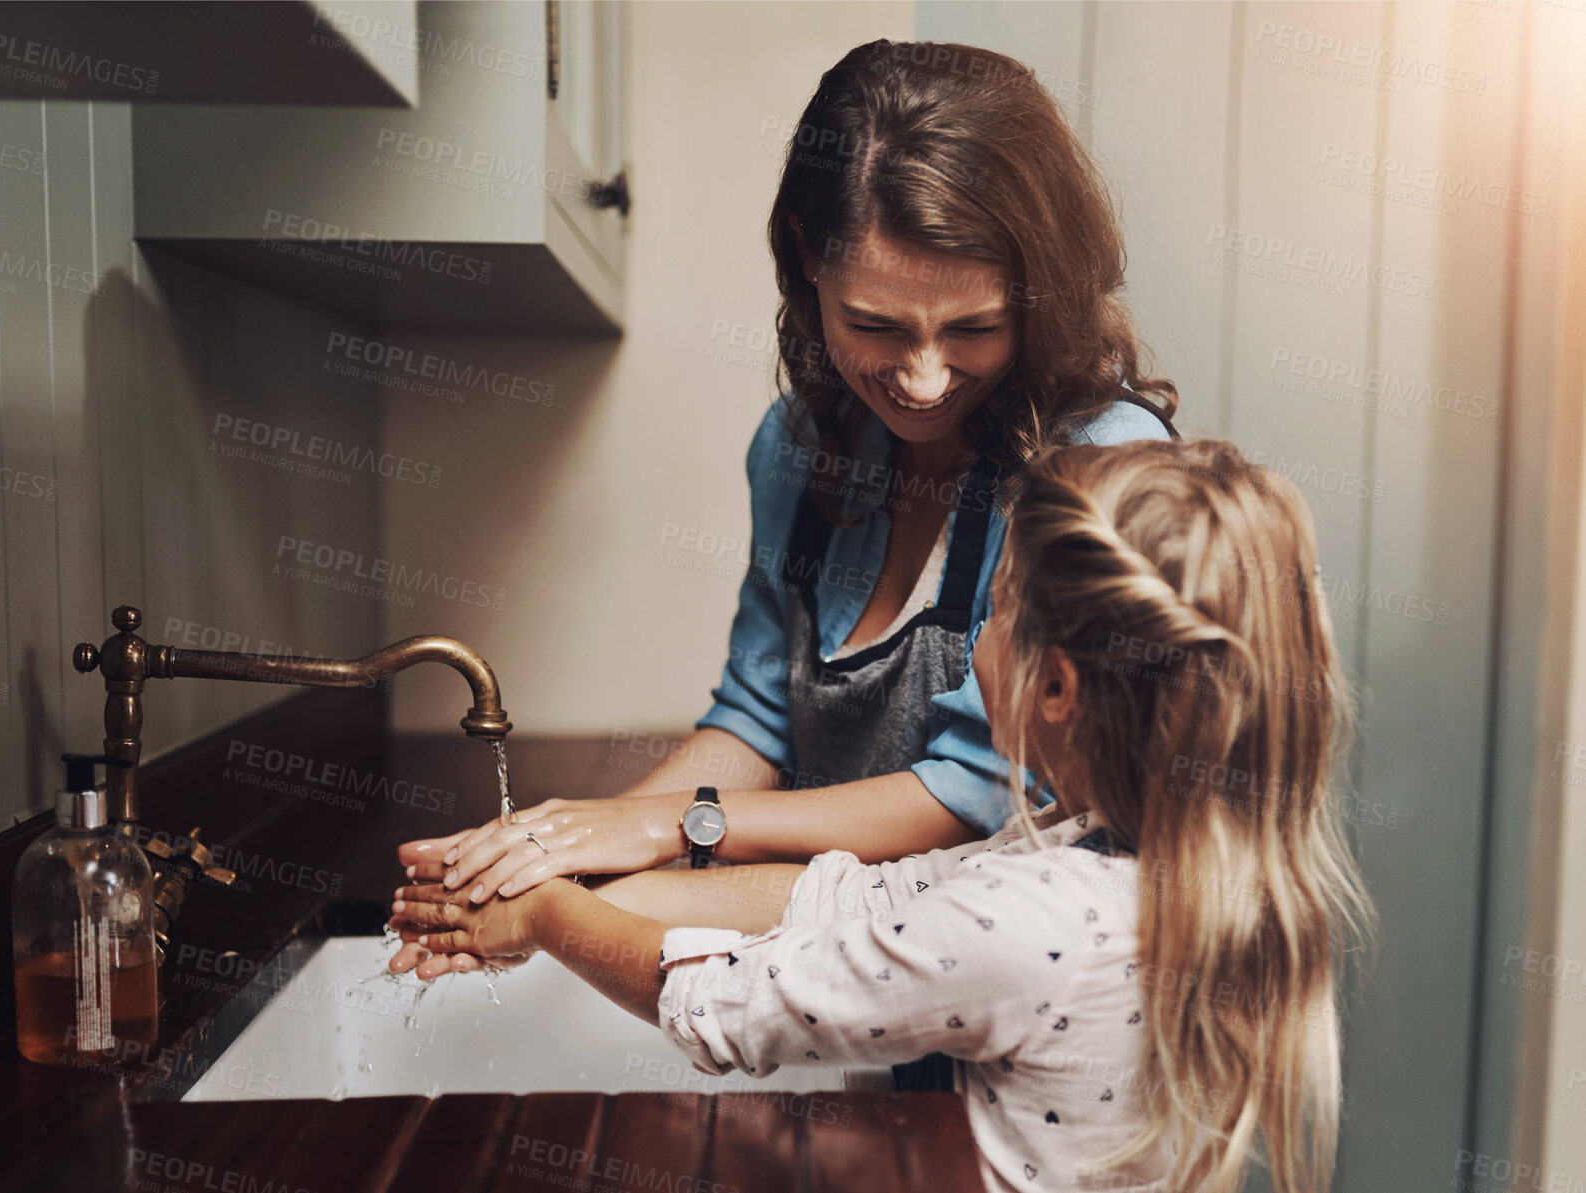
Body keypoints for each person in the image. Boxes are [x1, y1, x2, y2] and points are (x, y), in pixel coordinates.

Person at [389, 438, 1376, 1193]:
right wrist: (574, 883)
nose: (975, 640)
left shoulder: (1037, 919)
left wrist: (547, 919)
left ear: (1058, 686)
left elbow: (727, 1005)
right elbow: (857, 897)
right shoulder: (1138, 869)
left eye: (991, 612)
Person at [397, 37, 1176, 957]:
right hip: (862, 982)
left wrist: (670, 831)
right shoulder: (801, 447)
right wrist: (558, 850)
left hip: (1020, 1007)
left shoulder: (1102, 466)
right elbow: (757, 716)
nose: (923, 380)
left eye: (975, 328)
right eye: (874, 325)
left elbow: (980, 795)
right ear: (808, 260)